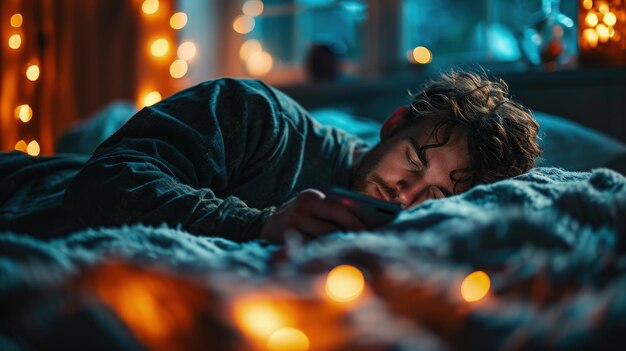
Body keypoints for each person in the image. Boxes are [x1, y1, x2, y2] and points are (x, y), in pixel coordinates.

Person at [0, 70, 541, 243]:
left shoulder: (410, 231)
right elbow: (106, 182)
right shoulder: (256, 114)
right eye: (415, 161)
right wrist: (260, 224)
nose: (407, 193)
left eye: (437, 194)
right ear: (394, 125)